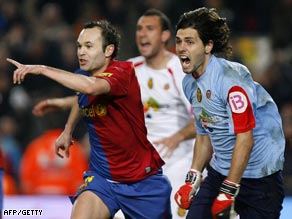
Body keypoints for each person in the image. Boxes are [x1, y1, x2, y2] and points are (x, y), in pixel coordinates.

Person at [32, 9, 197, 219]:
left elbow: (200, 118)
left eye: (149, 29)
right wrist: (66, 117)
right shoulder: (131, 66)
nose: (142, 34)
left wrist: (178, 137)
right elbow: (89, 90)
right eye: (139, 29)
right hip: (107, 176)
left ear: (165, 36)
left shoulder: (177, 71)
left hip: (167, 166)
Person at [173, 7, 285, 219]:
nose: (181, 48)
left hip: (260, 179)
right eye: (178, 41)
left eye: (189, 41)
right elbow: (204, 135)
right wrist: (192, 179)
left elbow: (245, 139)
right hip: (220, 174)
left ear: (208, 46)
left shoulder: (231, 80)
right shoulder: (189, 84)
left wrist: (229, 190)